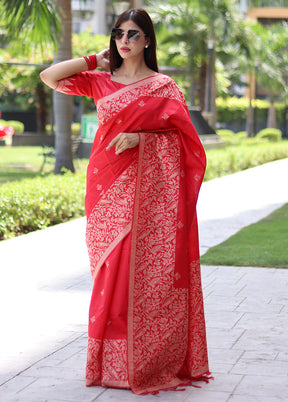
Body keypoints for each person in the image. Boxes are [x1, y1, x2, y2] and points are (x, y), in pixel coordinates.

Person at [40, 8, 210, 396]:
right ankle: (108, 363)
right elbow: (49, 77)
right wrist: (91, 60)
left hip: (147, 192)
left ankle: (150, 359)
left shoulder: (163, 86)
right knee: (109, 272)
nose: (125, 41)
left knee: (147, 273)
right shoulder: (100, 81)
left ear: (148, 40)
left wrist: (143, 139)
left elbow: (187, 143)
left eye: (133, 34)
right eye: (119, 33)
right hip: (105, 186)